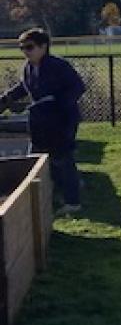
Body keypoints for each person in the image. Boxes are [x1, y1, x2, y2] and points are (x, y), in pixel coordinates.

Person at [0, 29, 86, 214]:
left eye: (29, 47)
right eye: (22, 48)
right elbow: (24, 87)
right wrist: (5, 100)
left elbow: (78, 87)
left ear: (43, 46)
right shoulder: (28, 68)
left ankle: (73, 201)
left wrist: (57, 102)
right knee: (37, 158)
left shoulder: (58, 66)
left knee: (63, 158)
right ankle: (49, 195)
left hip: (62, 120)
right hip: (41, 122)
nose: (25, 51)